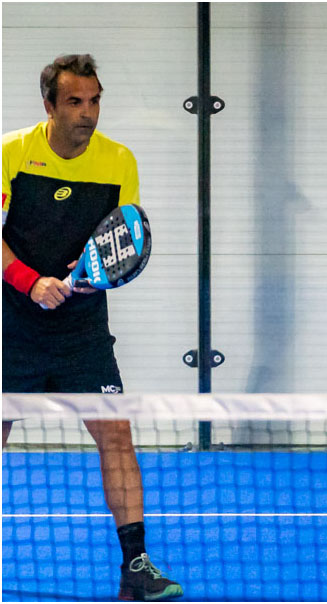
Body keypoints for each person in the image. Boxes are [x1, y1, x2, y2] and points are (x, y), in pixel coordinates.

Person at [2, 54, 182, 601]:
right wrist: (31, 282)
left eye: (95, 100)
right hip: (12, 326)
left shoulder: (118, 161)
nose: (88, 112)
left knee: (116, 434)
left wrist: (85, 280)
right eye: (75, 102)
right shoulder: (11, 153)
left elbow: (121, 242)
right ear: (49, 105)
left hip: (81, 331)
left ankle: (136, 568)